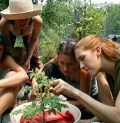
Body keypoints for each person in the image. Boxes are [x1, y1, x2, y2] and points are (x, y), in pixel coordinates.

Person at [50, 35, 120, 123]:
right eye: (79, 62)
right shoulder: (106, 74)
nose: (82, 66)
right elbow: (109, 113)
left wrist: (75, 92)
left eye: (83, 58)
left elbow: (118, 117)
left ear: (98, 51)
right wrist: (90, 121)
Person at [43, 39, 99, 119]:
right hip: (71, 97)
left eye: (70, 64)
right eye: (61, 63)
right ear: (58, 58)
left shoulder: (84, 72)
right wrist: (34, 80)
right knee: (48, 67)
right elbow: (45, 66)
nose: (65, 69)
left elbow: (82, 103)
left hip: (87, 104)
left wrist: (57, 104)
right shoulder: (59, 59)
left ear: (77, 60)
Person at [0, 0, 43, 71]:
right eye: (19, 17)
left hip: (29, 34)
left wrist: (28, 59)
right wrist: (12, 58)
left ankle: (35, 75)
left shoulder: (37, 21)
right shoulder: (4, 23)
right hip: (10, 34)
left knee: (34, 59)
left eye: (26, 17)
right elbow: (8, 42)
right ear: (12, 17)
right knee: (6, 54)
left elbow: (34, 40)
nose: (23, 21)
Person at [0, 33, 28, 116]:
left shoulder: (5, 59)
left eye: (0, 49)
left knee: (13, 75)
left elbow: (23, 76)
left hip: (4, 99)